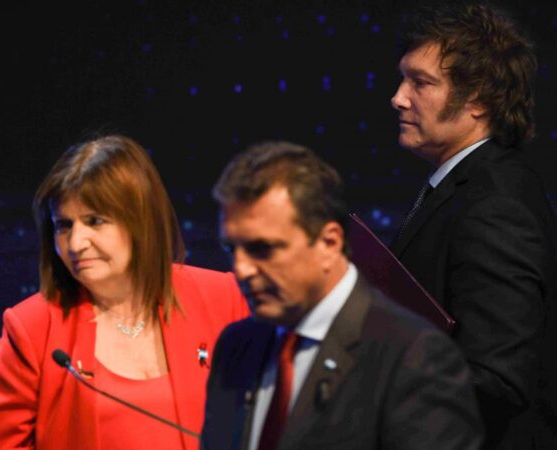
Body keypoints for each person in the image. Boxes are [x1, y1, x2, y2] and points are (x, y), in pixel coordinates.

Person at [0, 135, 249, 450]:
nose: (75, 243)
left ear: (141, 221)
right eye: (64, 225)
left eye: (94, 221)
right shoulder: (33, 328)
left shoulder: (223, 299)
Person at [201, 141, 482, 450]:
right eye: (231, 249)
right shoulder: (236, 346)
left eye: (262, 248)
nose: (241, 269)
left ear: (329, 243)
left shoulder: (414, 355)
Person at [388, 2, 557, 448]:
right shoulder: (469, 187)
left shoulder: (495, 202)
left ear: (478, 100)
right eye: (403, 79)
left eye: (421, 82)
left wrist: (369, 386)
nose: (398, 97)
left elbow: (495, 379)